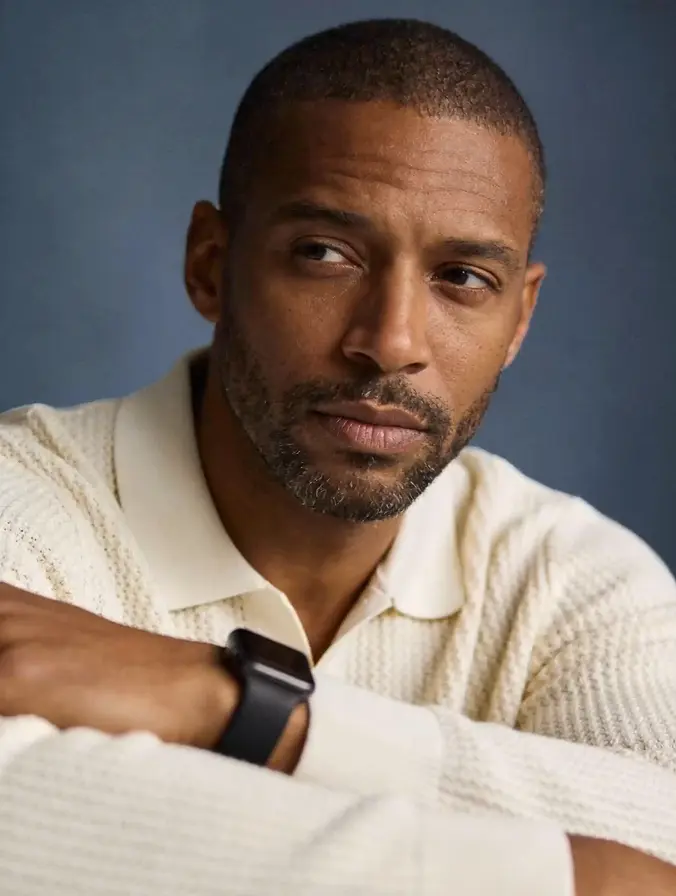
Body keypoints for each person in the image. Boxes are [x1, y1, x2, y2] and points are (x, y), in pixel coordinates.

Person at [0, 16, 675, 896]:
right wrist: (590, 879)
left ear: (520, 318)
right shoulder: (21, 510)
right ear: (211, 264)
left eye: (463, 278)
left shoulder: (574, 579)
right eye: (325, 254)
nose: (389, 342)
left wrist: (239, 705)